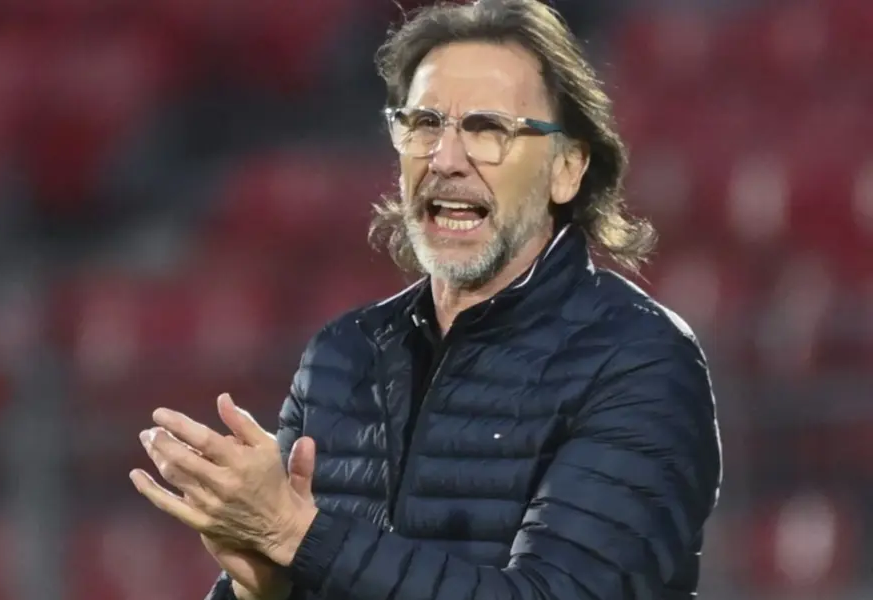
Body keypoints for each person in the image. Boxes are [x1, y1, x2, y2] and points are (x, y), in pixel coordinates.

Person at [131, 0, 723, 598]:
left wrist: (298, 534)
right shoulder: (342, 357)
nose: (445, 159)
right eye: (423, 124)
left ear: (567, 169)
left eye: (488, 129)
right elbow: (300, 556)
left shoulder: (638, 360)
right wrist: (261, 589)